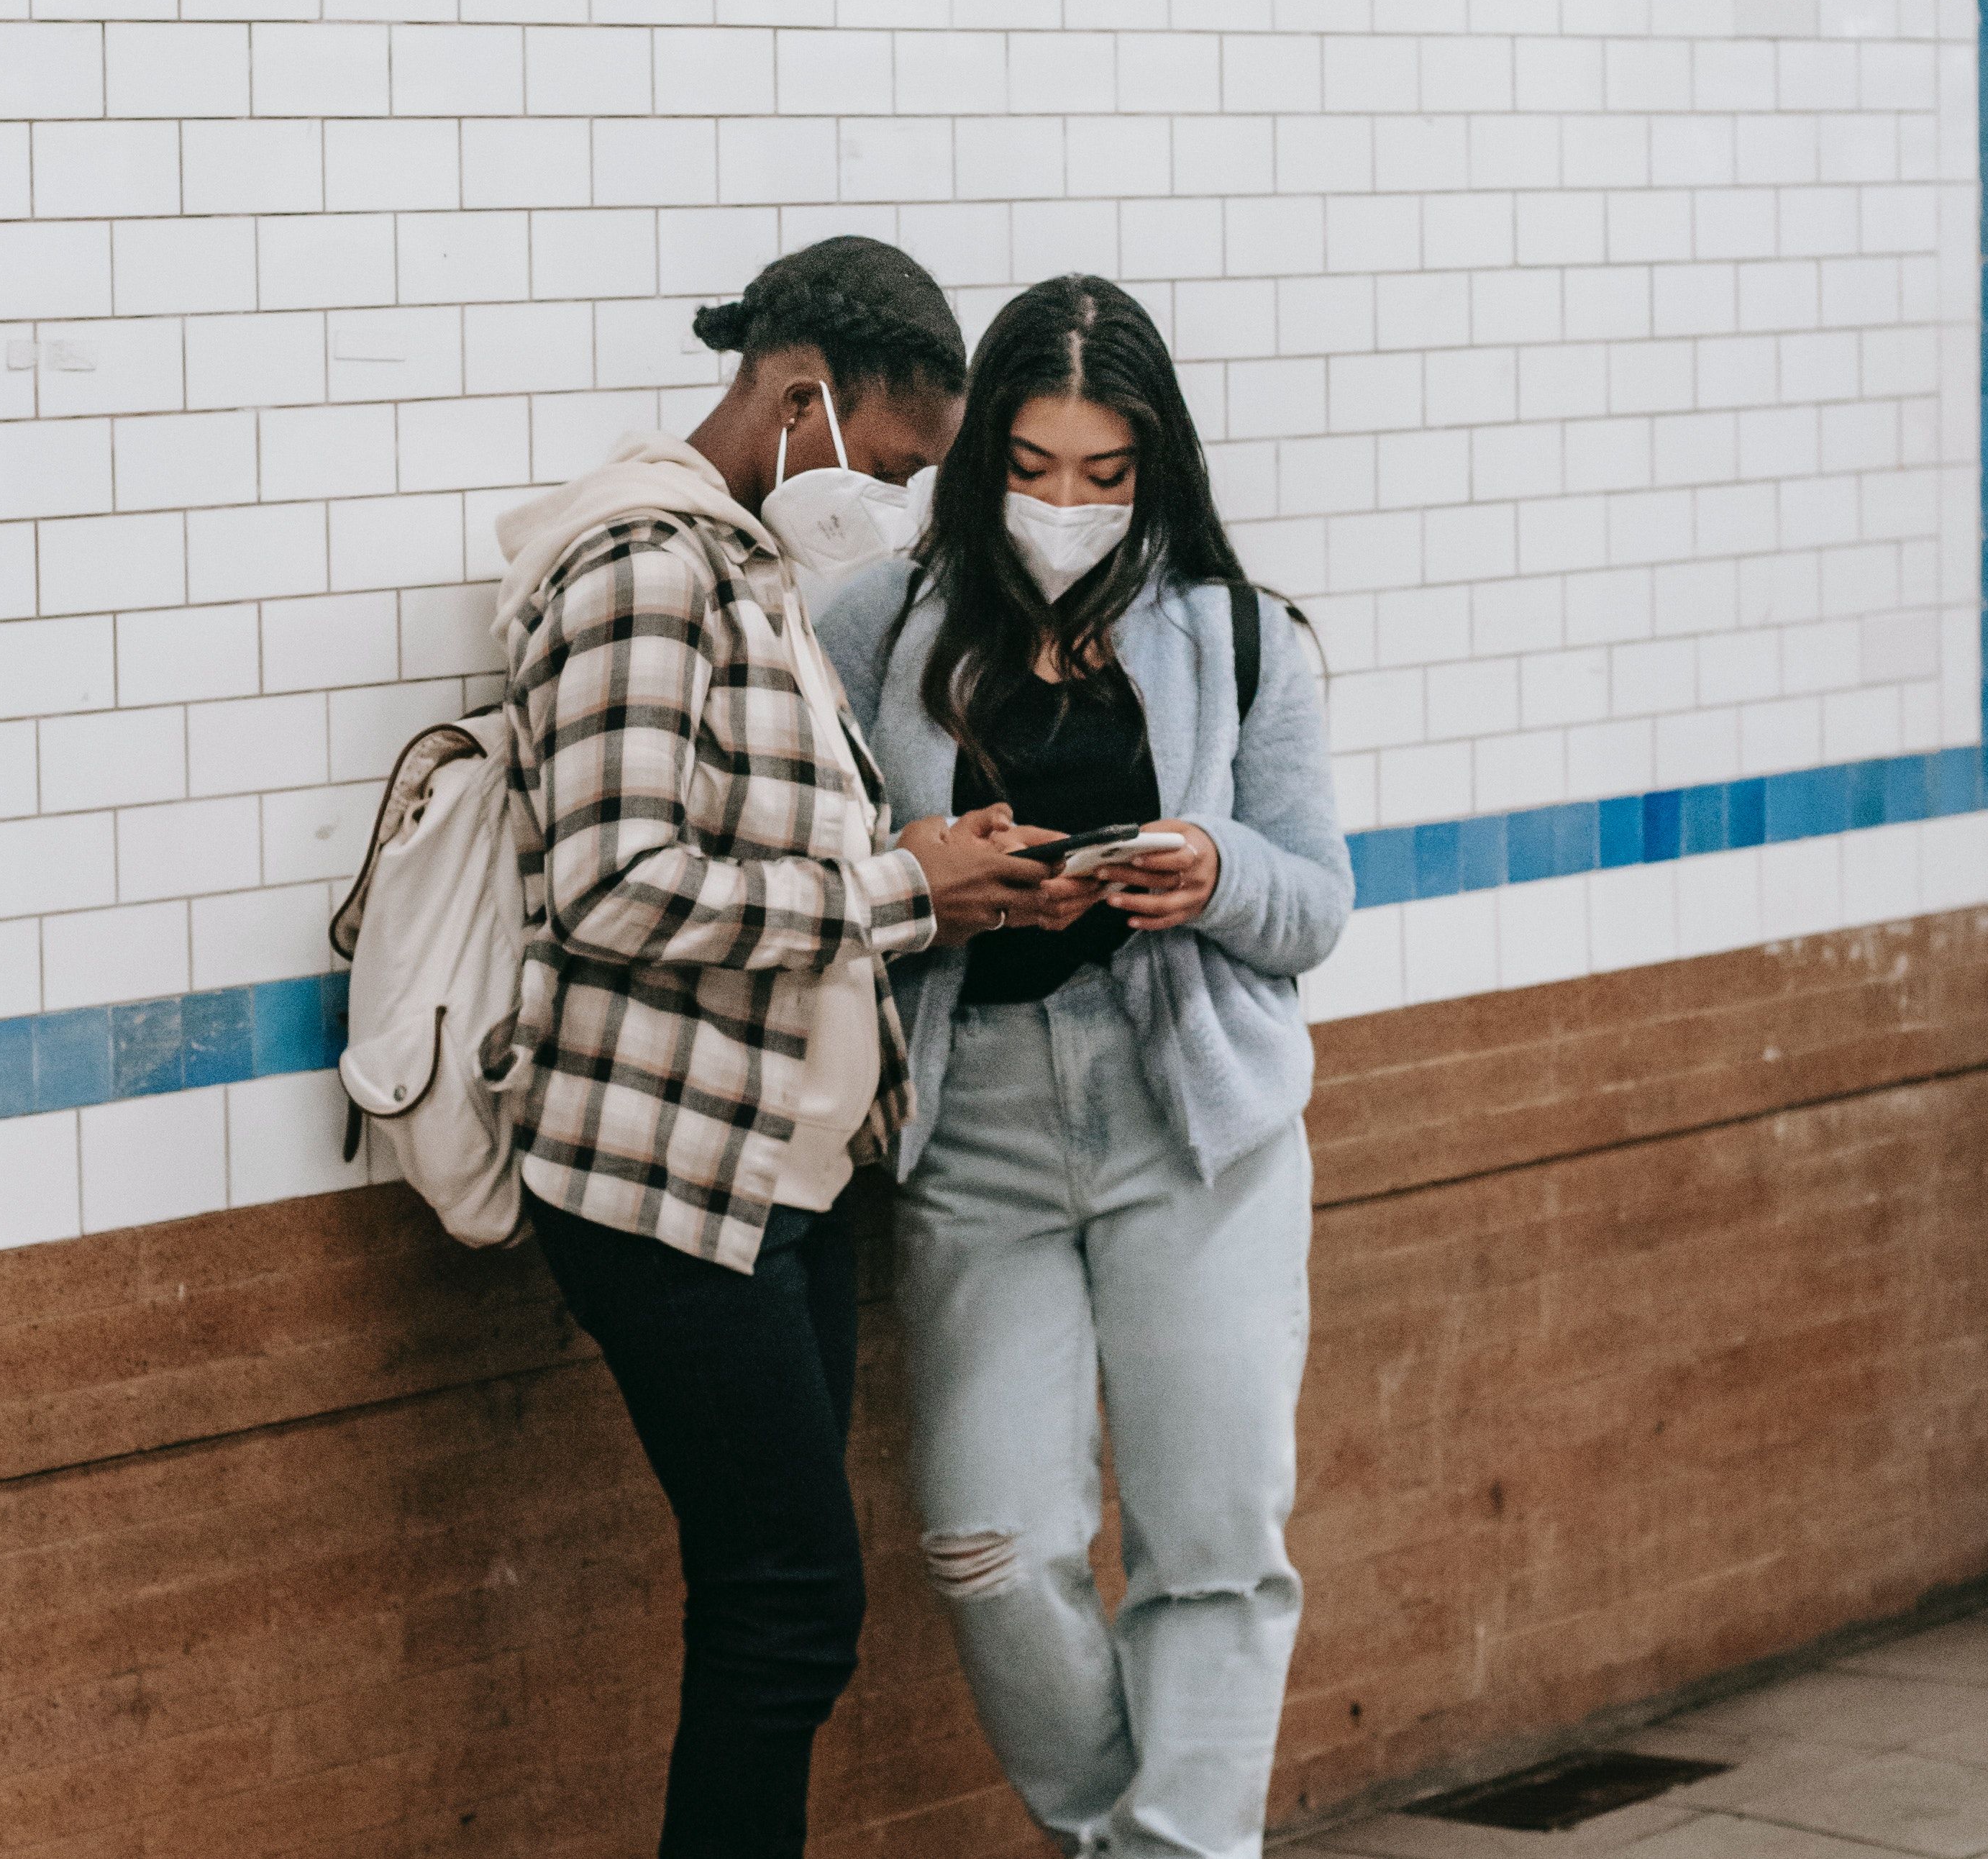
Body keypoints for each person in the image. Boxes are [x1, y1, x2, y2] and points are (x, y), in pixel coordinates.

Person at [493, 237, 1043, 1859]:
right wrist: (894, 881)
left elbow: (768, 873)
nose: (893, 498)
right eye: (889, 459)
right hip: (668, 1183)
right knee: (791, 1606)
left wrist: (943, 891)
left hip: (771, 1176)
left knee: (776, 1611)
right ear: (802, 391)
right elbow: (611, 880)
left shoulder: (745, 571)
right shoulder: (643, 566)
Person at [819, 273, 1355, 1859]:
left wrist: (1209, 864)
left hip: (1193, 1115)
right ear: (983, 454)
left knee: (1213, 1537)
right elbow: (836, 868)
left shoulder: (1244, 633)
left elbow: (1314, 900)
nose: (1064, 503)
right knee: (993, 1537)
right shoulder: (874, 628)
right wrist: (930, 871)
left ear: (1156, 469)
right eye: (1033, 466)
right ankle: (1124, 1835)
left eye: (1104, 475)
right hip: (972, 1114)